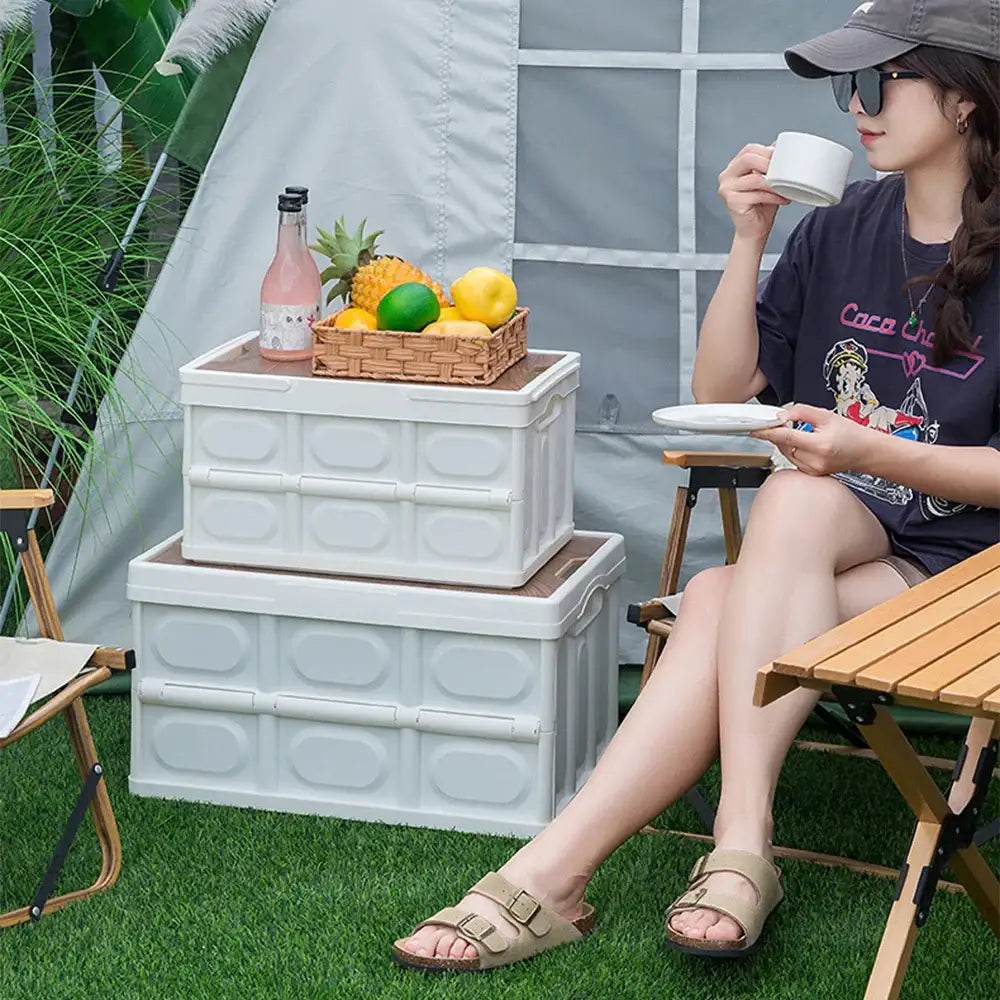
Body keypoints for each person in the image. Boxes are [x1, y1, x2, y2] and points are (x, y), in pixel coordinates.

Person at [391, 0, 1000, 972]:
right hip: (836, 537)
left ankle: (608, 864)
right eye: (850, 86)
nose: (857, 107)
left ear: (965, 100)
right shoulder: (839, 228)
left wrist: (867, 452)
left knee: (726, 585)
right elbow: (721, 392)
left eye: (879, 82)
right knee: (769, 537)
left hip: (968, 570)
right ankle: (672, 854)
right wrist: (749, 236)